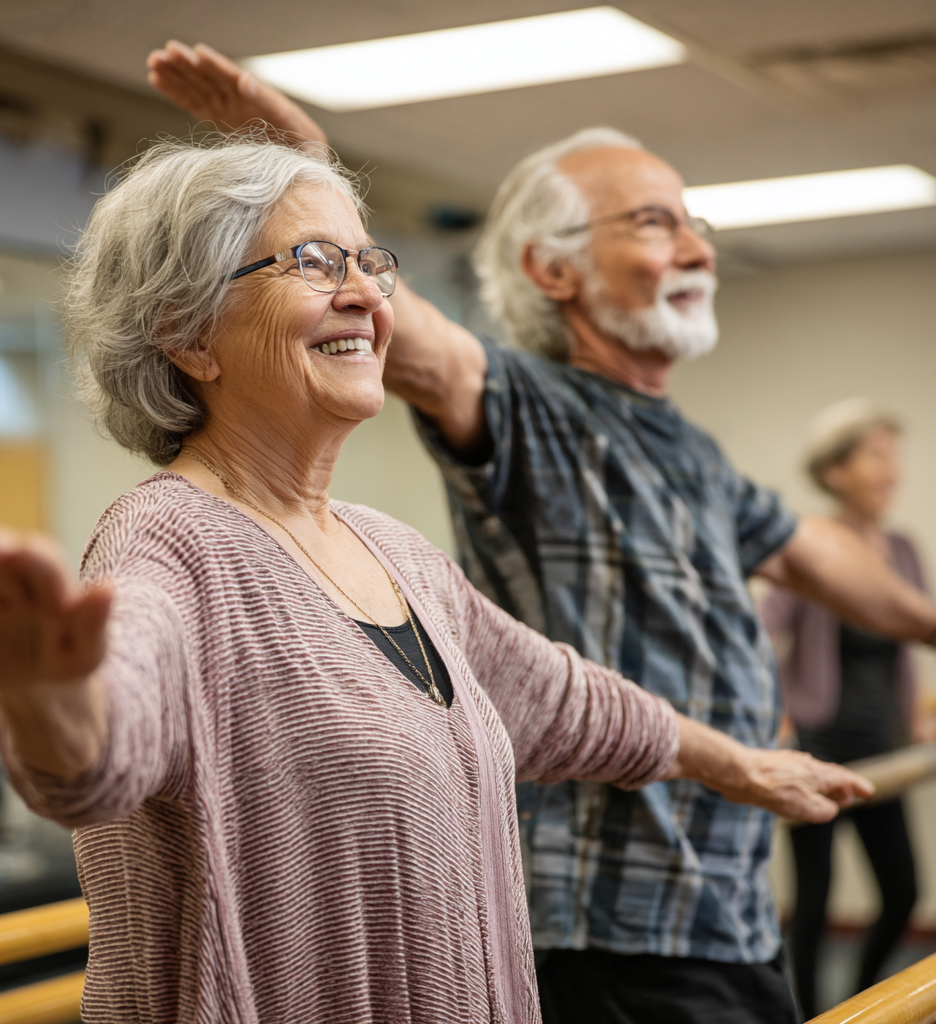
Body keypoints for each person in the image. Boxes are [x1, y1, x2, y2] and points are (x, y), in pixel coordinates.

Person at [0, 135, 870, 1024]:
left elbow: (565, 699)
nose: (366, 294)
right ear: (188, 333)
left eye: (369, 262)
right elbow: (98, 756)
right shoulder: (171, 541)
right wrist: (48, 697)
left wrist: (739, 765)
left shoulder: (392, 550)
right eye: (314, 262)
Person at [144, 45, 936, 1023]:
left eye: (696, 225)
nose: (696, 250)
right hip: (606, 924)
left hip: (722, 904)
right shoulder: (527, 404)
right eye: (654, 223)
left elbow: (821, 559)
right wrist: (307, 169)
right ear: (550, 268)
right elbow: (405, 332)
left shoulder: (687, 449)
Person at [762, 399, 930, 1018]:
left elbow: (909, 641)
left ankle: (856, 1001)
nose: (891, 470)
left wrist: (915, 715)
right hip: (821, 745)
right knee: (815, 900)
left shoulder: (903, 550)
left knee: (903, 891)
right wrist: (778, 713)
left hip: (883, 748)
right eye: (875, 456)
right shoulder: (813, 545)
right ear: (835, 471)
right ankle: (808, 1014)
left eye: (893, 456)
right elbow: (760, 631)